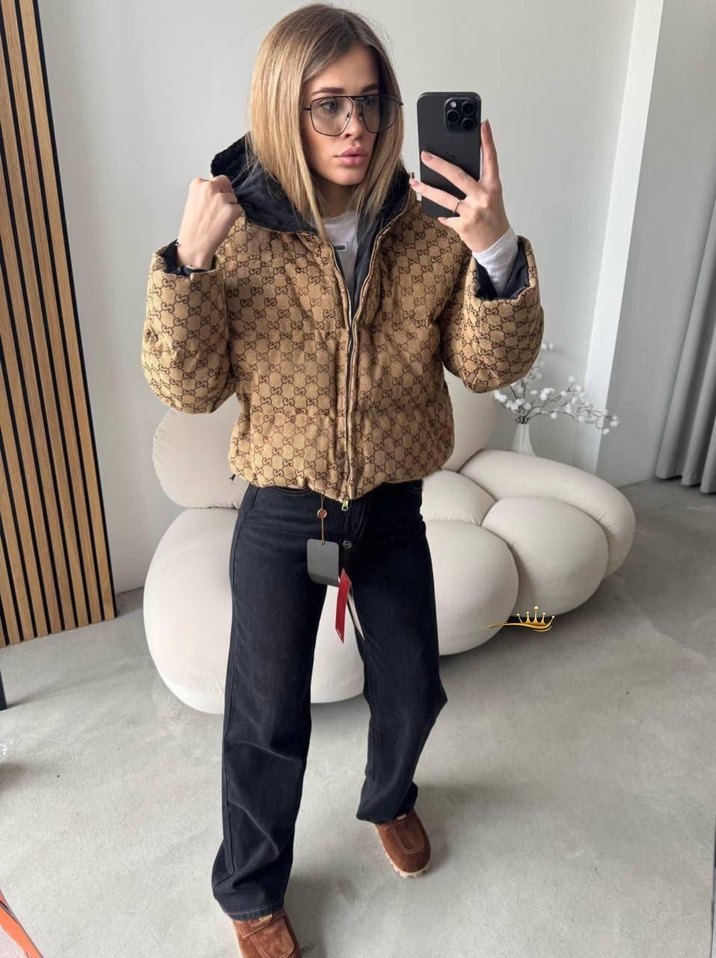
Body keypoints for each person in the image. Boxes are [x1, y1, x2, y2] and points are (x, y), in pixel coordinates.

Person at [141, 4, 544, 955]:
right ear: (284, 105)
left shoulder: (430, 221)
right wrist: (188, 262)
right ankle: (250, 887)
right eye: (327, 105)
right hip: (283, 512)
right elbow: (188, 389)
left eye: (371, 101)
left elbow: (487, 366)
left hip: (393, 506)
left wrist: (493, 248)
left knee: (412, 690)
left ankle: (389, 798)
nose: (354, 126)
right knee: (264, 718)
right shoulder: (237, 228)